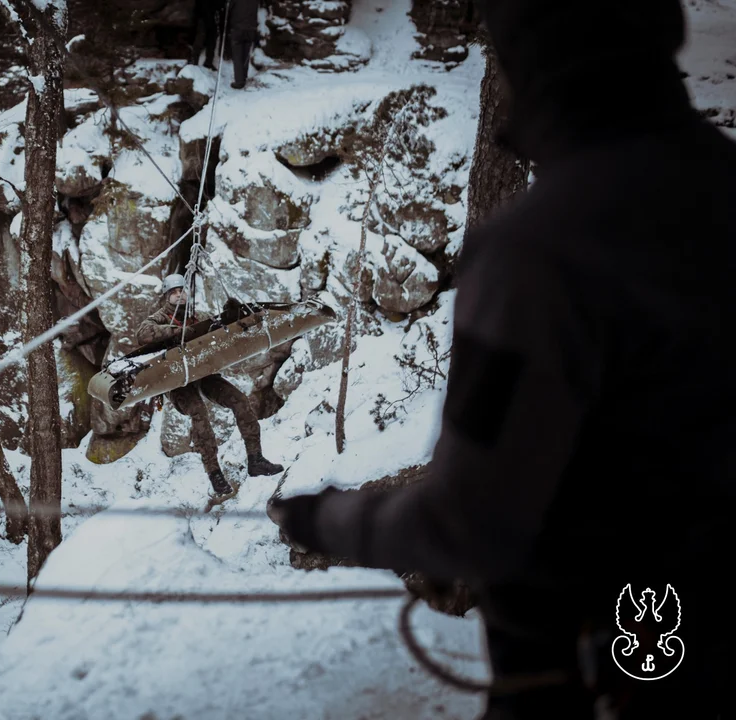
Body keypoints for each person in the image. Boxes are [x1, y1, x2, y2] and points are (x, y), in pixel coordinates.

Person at [268, 0, 736, 718]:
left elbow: (471, 519)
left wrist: (323, 522)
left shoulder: (541, 252)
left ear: (530, 62)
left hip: (602, 657)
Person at [137, 274, 284, 496]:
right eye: (174, 292)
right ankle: (214, 473)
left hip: (203, 373)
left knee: (240, 401)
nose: (179, 295)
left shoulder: (197, 317)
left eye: (182, 291)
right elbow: (143, 334)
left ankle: (256, 459)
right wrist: (174, 332)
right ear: (167, 296)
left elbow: (218, 327)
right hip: (177, 381)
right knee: (198, 413)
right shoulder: (158, 318)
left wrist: (232, 315)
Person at [226, 0, 259, 89]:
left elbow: (229, 9)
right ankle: (244, 75)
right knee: (245, 52)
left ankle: (239, 81)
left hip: (237, 27)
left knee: (237, 55)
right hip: (251, 28)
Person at [189, 0, 224, 70]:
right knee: (201, 39)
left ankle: (208, 62)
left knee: (211, 41)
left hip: (211, 17)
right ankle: (194, 60)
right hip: (203, 16)